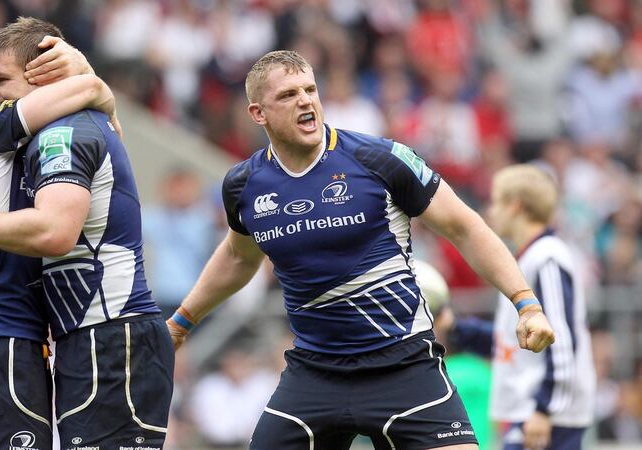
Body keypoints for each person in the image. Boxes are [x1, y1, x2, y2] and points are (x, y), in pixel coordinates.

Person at [165, 50, 555, 450]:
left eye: (310, 90)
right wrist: (180, 323)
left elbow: (465, 227)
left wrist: (526, 304)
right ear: (258, 113)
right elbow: (237, 257)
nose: (305, 100)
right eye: (288, 95)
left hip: (402, 365)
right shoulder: (244, 185)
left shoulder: (380, 159)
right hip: (315, 374)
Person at [0, 17, 174, 450]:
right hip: (7, 344)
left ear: (41, 75)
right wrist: (93, 85)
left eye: (1, 80)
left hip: (97, 337)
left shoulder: (57, 135)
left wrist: (89, 80)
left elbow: (55, 230)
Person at [439, 165, 595, 450]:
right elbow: (512, 344)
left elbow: (561, 338)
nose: (490, 210)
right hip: (531, 411)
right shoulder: (524, 260)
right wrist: (457, 328)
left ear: (515, 206)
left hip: (546, 416)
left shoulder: (547, 257)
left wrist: (544, 409)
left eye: (496, 202)